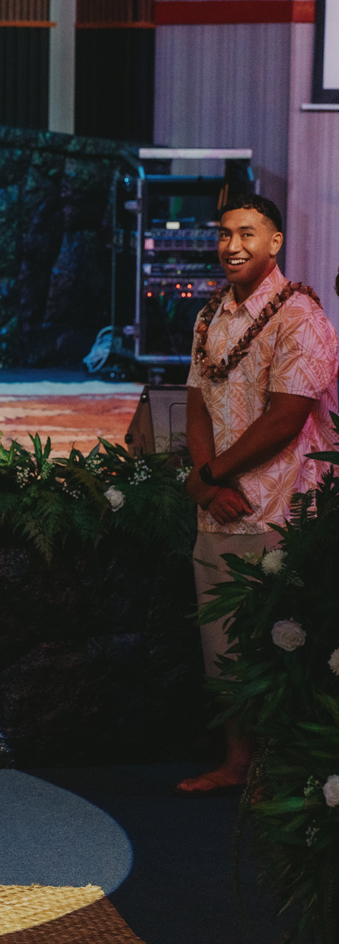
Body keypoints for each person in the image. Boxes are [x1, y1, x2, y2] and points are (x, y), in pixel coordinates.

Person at [179, 193, 338, 795]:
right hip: (219, 503)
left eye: (247, 233)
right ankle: (236, 763)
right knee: (222, 644)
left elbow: (288, 417)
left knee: (283, 641)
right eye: (224, 233)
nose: (232, 245)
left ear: (275, 243)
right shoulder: (211, 314)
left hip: (283, 507)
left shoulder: (301, 316)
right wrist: (204, 478)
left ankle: (289, 771)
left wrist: (213, 476)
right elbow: (196, 401)